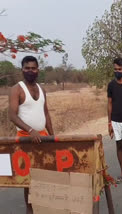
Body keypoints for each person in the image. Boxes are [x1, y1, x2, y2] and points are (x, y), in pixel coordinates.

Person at [8, 56, 54, 214]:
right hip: (25, 139)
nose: (30, 71)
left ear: (38, 70)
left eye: (33, 68)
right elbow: (12, 115)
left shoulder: (42, 89)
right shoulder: (17, 89)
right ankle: (30, 210)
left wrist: (53, 137)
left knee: (44, 175)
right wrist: (30, 130)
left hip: (42, 138)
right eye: (27, 68)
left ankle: (43, 208)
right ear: (22, 69)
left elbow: (46, 114)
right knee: (29, 179)